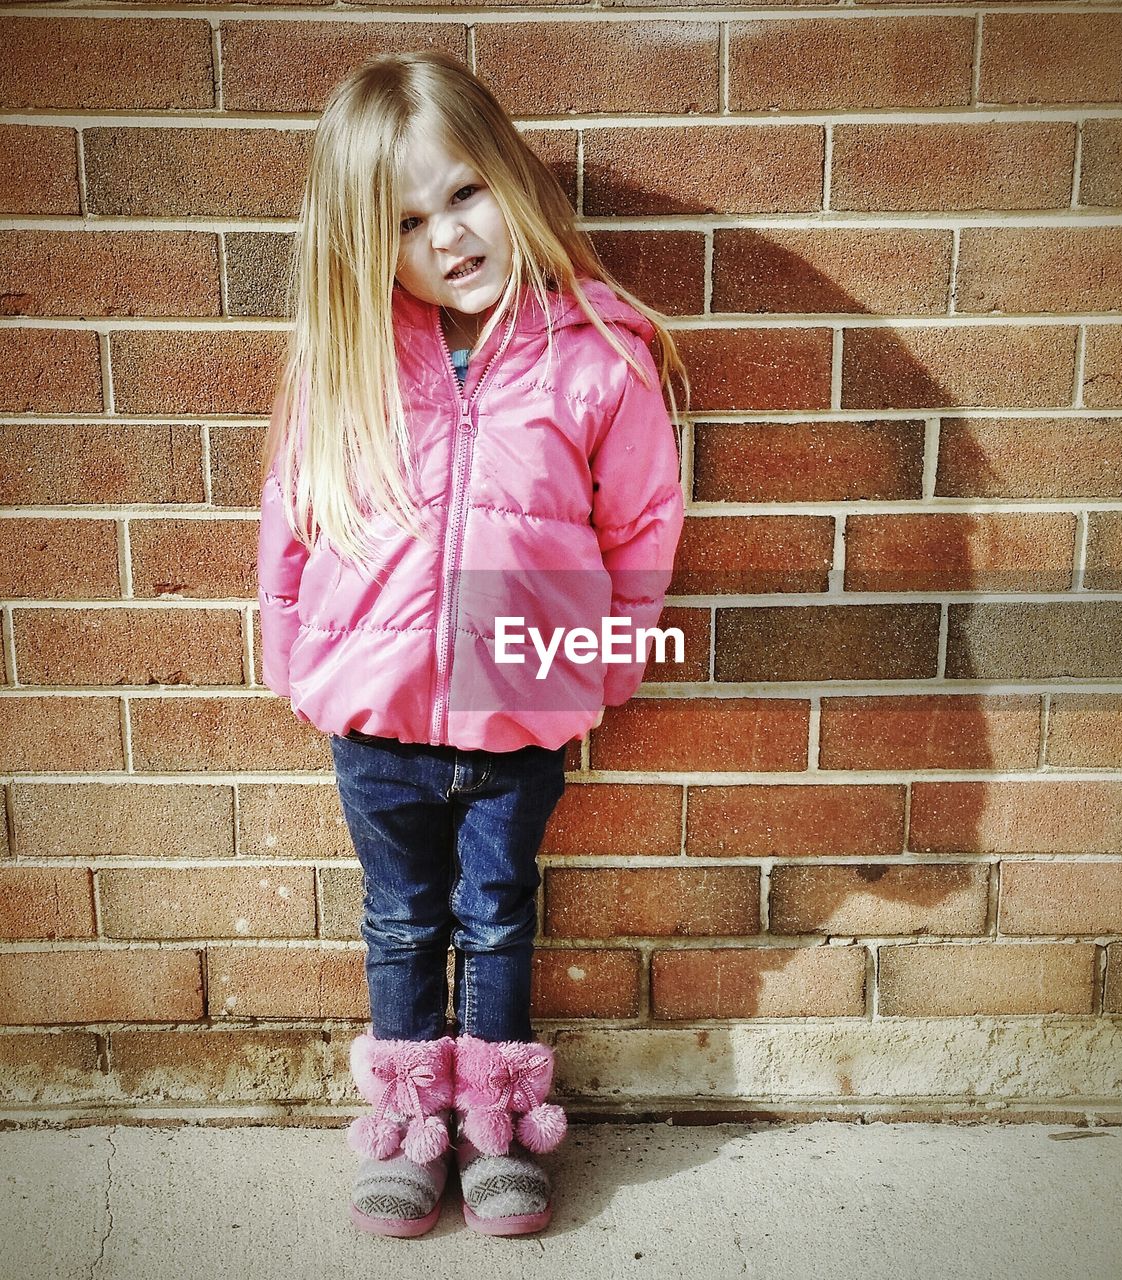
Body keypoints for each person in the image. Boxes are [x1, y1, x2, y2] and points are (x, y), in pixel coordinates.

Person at [255, 50, 687, 1239]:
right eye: (404, 220)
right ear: (365, 243)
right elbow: (288, 520)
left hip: (518, 705)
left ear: (509, 180)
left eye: (462, 194)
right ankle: (405, 1125)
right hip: (374, 714)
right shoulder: (346, 362)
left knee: (496, 912)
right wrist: (295, 660)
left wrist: (602, 661)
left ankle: (496, 1123)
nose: (444, 237)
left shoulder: (593, 355)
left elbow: (642, 523)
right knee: (399, 919)